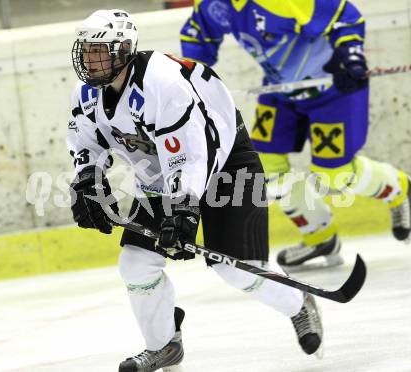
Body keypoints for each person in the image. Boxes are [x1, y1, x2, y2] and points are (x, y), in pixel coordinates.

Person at [68, 9, 323, 372]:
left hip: (225, 162)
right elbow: (84, 140)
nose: (90, 61)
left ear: (124, 50)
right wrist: (87, 182)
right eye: (86, 52)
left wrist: (183, 209)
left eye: (100, 52)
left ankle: (299, 304)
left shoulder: (163, 82)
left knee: (238, 270)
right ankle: (164, 347)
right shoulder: (87, 94)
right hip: (160, 173)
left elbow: (189, 152)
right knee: (137, 265)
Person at [180, 0, 411, 270]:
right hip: (280, 91)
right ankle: (320, 236)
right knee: (265, 168)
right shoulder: (213, 4)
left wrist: (351, 54)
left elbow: (345, 17)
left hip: (332, 88)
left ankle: (400, 189)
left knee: (334, 174)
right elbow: (197, 35)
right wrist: (191, 79)